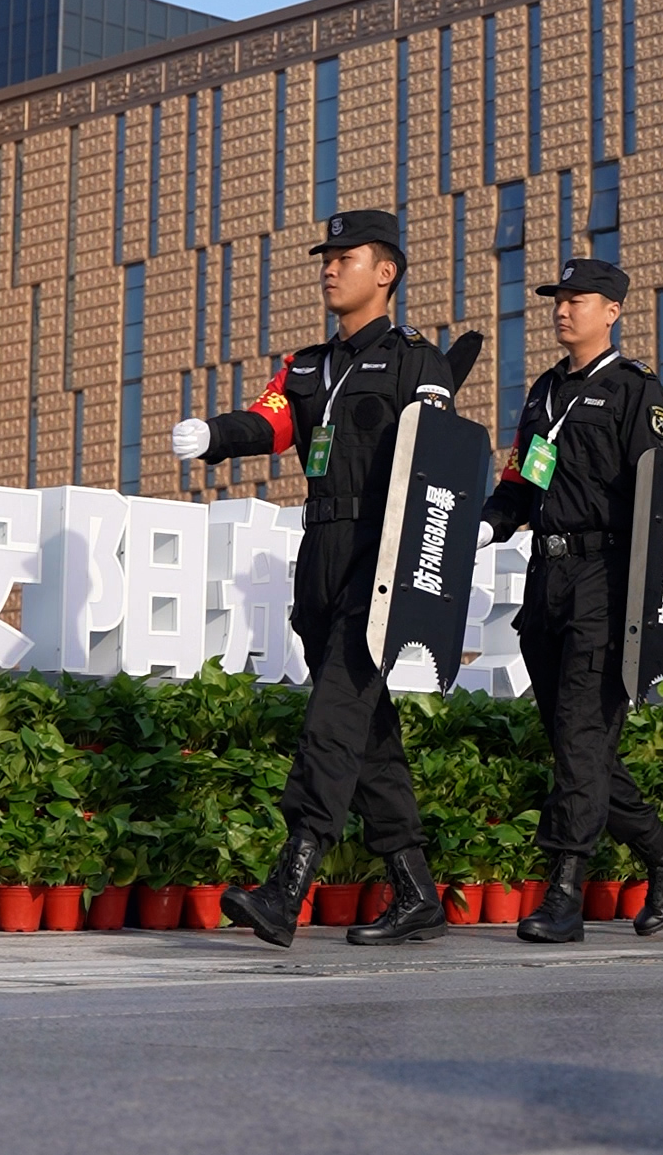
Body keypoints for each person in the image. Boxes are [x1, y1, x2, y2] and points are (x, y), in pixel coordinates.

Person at [172, 209, 462, 947]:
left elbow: (439, 469)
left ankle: (287, 887)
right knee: (367, 733)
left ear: (385, 272)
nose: (330, 268)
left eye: (345, 257)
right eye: (325, 258)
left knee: (332, 718)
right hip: (322, 552)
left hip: (382, 554)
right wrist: (215, 435)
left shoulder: (417, 363)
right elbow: (271, 422)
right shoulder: (308, 366)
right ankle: (417, 893)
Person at [481, 257, 663, 943]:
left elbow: (656, 498)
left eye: (577, 299)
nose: (562, 309)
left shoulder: (636, 389)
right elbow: (522, 478)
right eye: (558, 298)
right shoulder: (545, 391)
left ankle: (565, 892)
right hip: (545, 578)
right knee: (576, 743)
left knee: (583, 735)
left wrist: (650, 598)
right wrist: (488, 526)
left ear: (611, 312)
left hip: (605, 582)